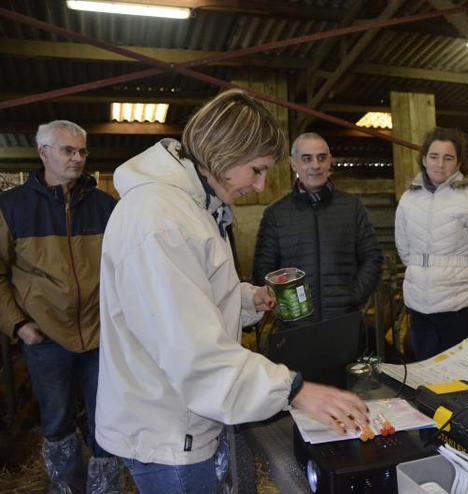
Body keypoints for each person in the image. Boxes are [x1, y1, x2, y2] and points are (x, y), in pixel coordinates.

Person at [95, 90, 368, 493]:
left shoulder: (195, 207)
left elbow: (188, 295)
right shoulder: (159, 219)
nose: (259, 186)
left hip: (187, 415)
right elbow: (190, 349)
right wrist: (293, 389)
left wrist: (244, 300)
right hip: (168, 431)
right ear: (223, 153)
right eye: (256, 170)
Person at [0, 120, 121, 492]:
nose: (78, 158)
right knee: (56, 420)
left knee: (108, 418)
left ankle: (104, 489)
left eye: (82, 151)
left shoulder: (106, 206)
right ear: (43, 152)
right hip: (45, 336)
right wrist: (18, 324)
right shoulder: (12, 208)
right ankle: (68, 487)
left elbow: (125, 268)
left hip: (101, 335)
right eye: (69, 150)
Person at [252, 132, 382, 325]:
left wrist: (353, 296)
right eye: (307, 159)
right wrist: (287, 306)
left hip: (344, 321)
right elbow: (263, 269)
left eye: (322, 158)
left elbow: (372, 257)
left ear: (330, 161)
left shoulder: (352, 208)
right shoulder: (276, 214)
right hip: (296, 326)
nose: (315, 165)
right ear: (293, 164)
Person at [395, 127, 468, 360]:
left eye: (448, 158)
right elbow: (404, 250)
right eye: (434, 156)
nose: (440, 164)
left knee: (461, 379)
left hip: (458, 309)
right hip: (419, 308)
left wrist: (464, 277)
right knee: (425, 376)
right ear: (423, 159)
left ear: (458, 163)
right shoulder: (408, 200)